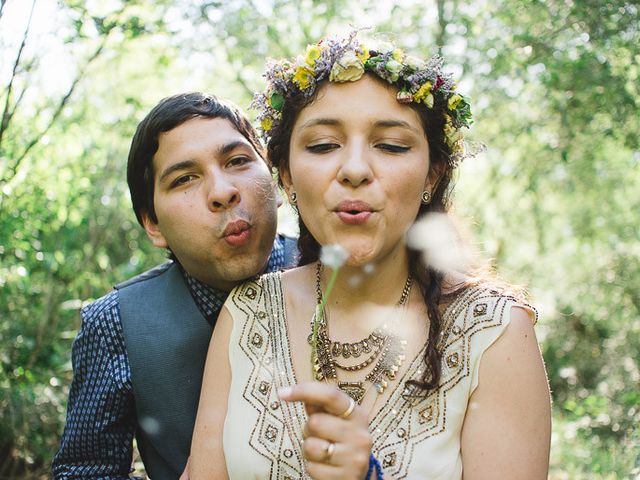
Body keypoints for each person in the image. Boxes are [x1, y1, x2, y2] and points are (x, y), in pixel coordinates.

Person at [190, 32, 552, 479]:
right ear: (286, 175)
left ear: (432, 175)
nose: (356, 169)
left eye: (391, 145)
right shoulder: (248, 313)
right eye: (323, 145)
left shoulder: (494, 333)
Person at [52, 92, 298, 479]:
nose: (222, 192)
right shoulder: (116, 324)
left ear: (274, 176)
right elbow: (84, 471)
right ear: (152, 224)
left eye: (237, 161)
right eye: (185, 178)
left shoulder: (339, 272)